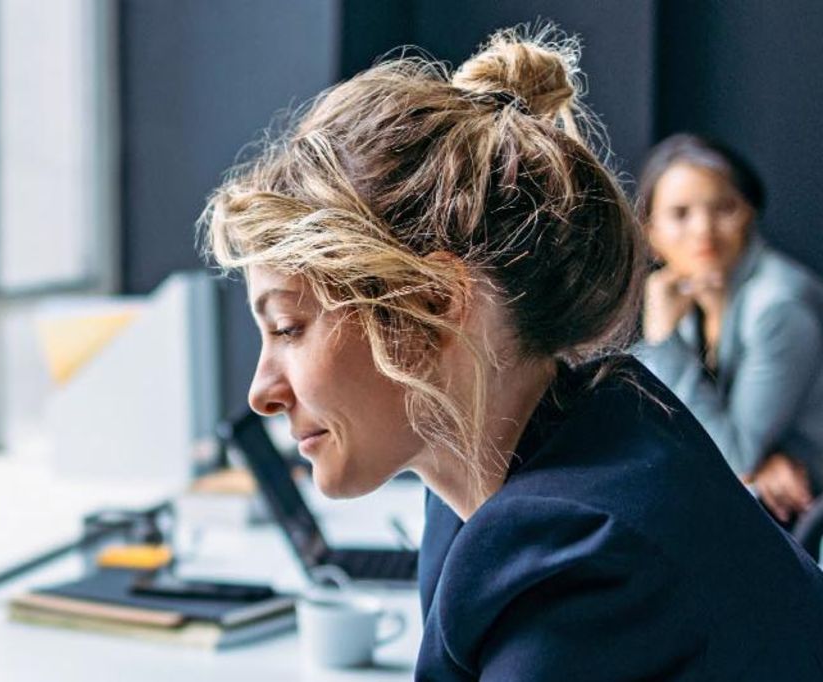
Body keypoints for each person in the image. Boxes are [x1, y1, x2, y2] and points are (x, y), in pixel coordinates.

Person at [202, 27, 823, 680]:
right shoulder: (516, 482)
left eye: (290, 327)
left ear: (436, 303)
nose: (262, 391)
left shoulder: (583, 563)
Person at [637, 133, 823, 527]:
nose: (703, 229)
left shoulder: (777, 307)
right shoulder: (692, 297)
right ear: (650, 235)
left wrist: (661, 340)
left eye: (723, 208)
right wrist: (756, 464)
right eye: (681, 213)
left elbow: (731, 456)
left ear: (750, 214)